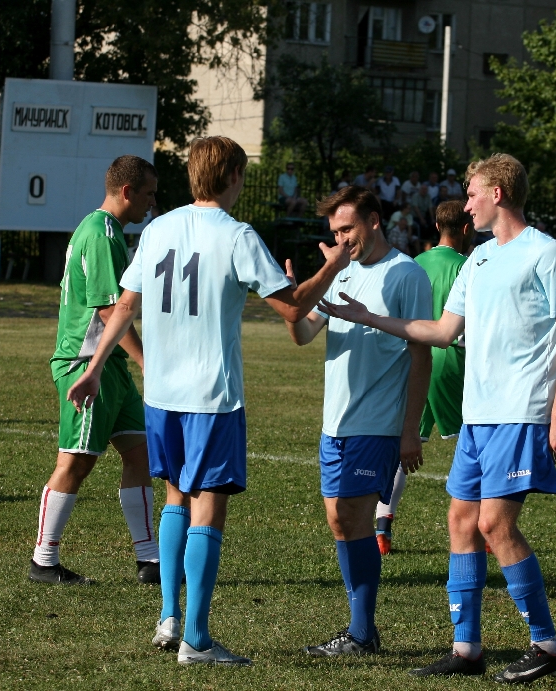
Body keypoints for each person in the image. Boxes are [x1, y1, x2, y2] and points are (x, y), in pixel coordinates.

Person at [66, 136, 350, 665]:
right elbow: (294, 309)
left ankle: (169, 617)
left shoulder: (158, 229)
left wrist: (96, 366)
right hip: (211, 397)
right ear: (234, 176)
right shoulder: (236, 235)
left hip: (162, 394)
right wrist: (333, 267)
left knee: (175, 496)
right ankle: (196, 639)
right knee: (208, 507)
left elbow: (124, 306)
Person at [320, 154, 556, 683]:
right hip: (477, 416)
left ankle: (546, 644)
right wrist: (368, 317)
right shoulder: (478, 258)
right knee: (461, 522)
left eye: (472, 194)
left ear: (498, 194)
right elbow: (442, 332)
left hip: (520, 412)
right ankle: (467, 649)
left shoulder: (545, 252)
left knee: (494, 525)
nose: (466, 206)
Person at [285, 185, 432, 657]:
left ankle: (362, 633)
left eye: (347, 228)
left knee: (352, 516)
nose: (341, 239)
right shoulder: (339, 272)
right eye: (335, 232)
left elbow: (421, 354)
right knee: (339, 519)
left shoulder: (407, 274)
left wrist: (410, 430)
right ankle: (361, 632)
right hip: (336, 422)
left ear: (373, 220)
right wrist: (292, 303)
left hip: (378, 421)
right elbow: (304, 334)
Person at [30, 155, 161, 587]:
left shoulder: (103, 229)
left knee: (139, 453)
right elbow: (109, 310)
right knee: (76, 461)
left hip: (110, 365)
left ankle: (149, 560)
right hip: (87, 364)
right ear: (127, 192)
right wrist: (147, 362)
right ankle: (43, 561)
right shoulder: (103, 233)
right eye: (148, 194)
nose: (151, 203)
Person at [374, 201, 474, 556]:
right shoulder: (468, 266)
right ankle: (481, 527)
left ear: (435, 226)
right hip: (451, 358)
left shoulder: (414, 263)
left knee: (406, 440)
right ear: (466, 228)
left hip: (413, 359)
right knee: (473, 441)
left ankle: (382, 526)